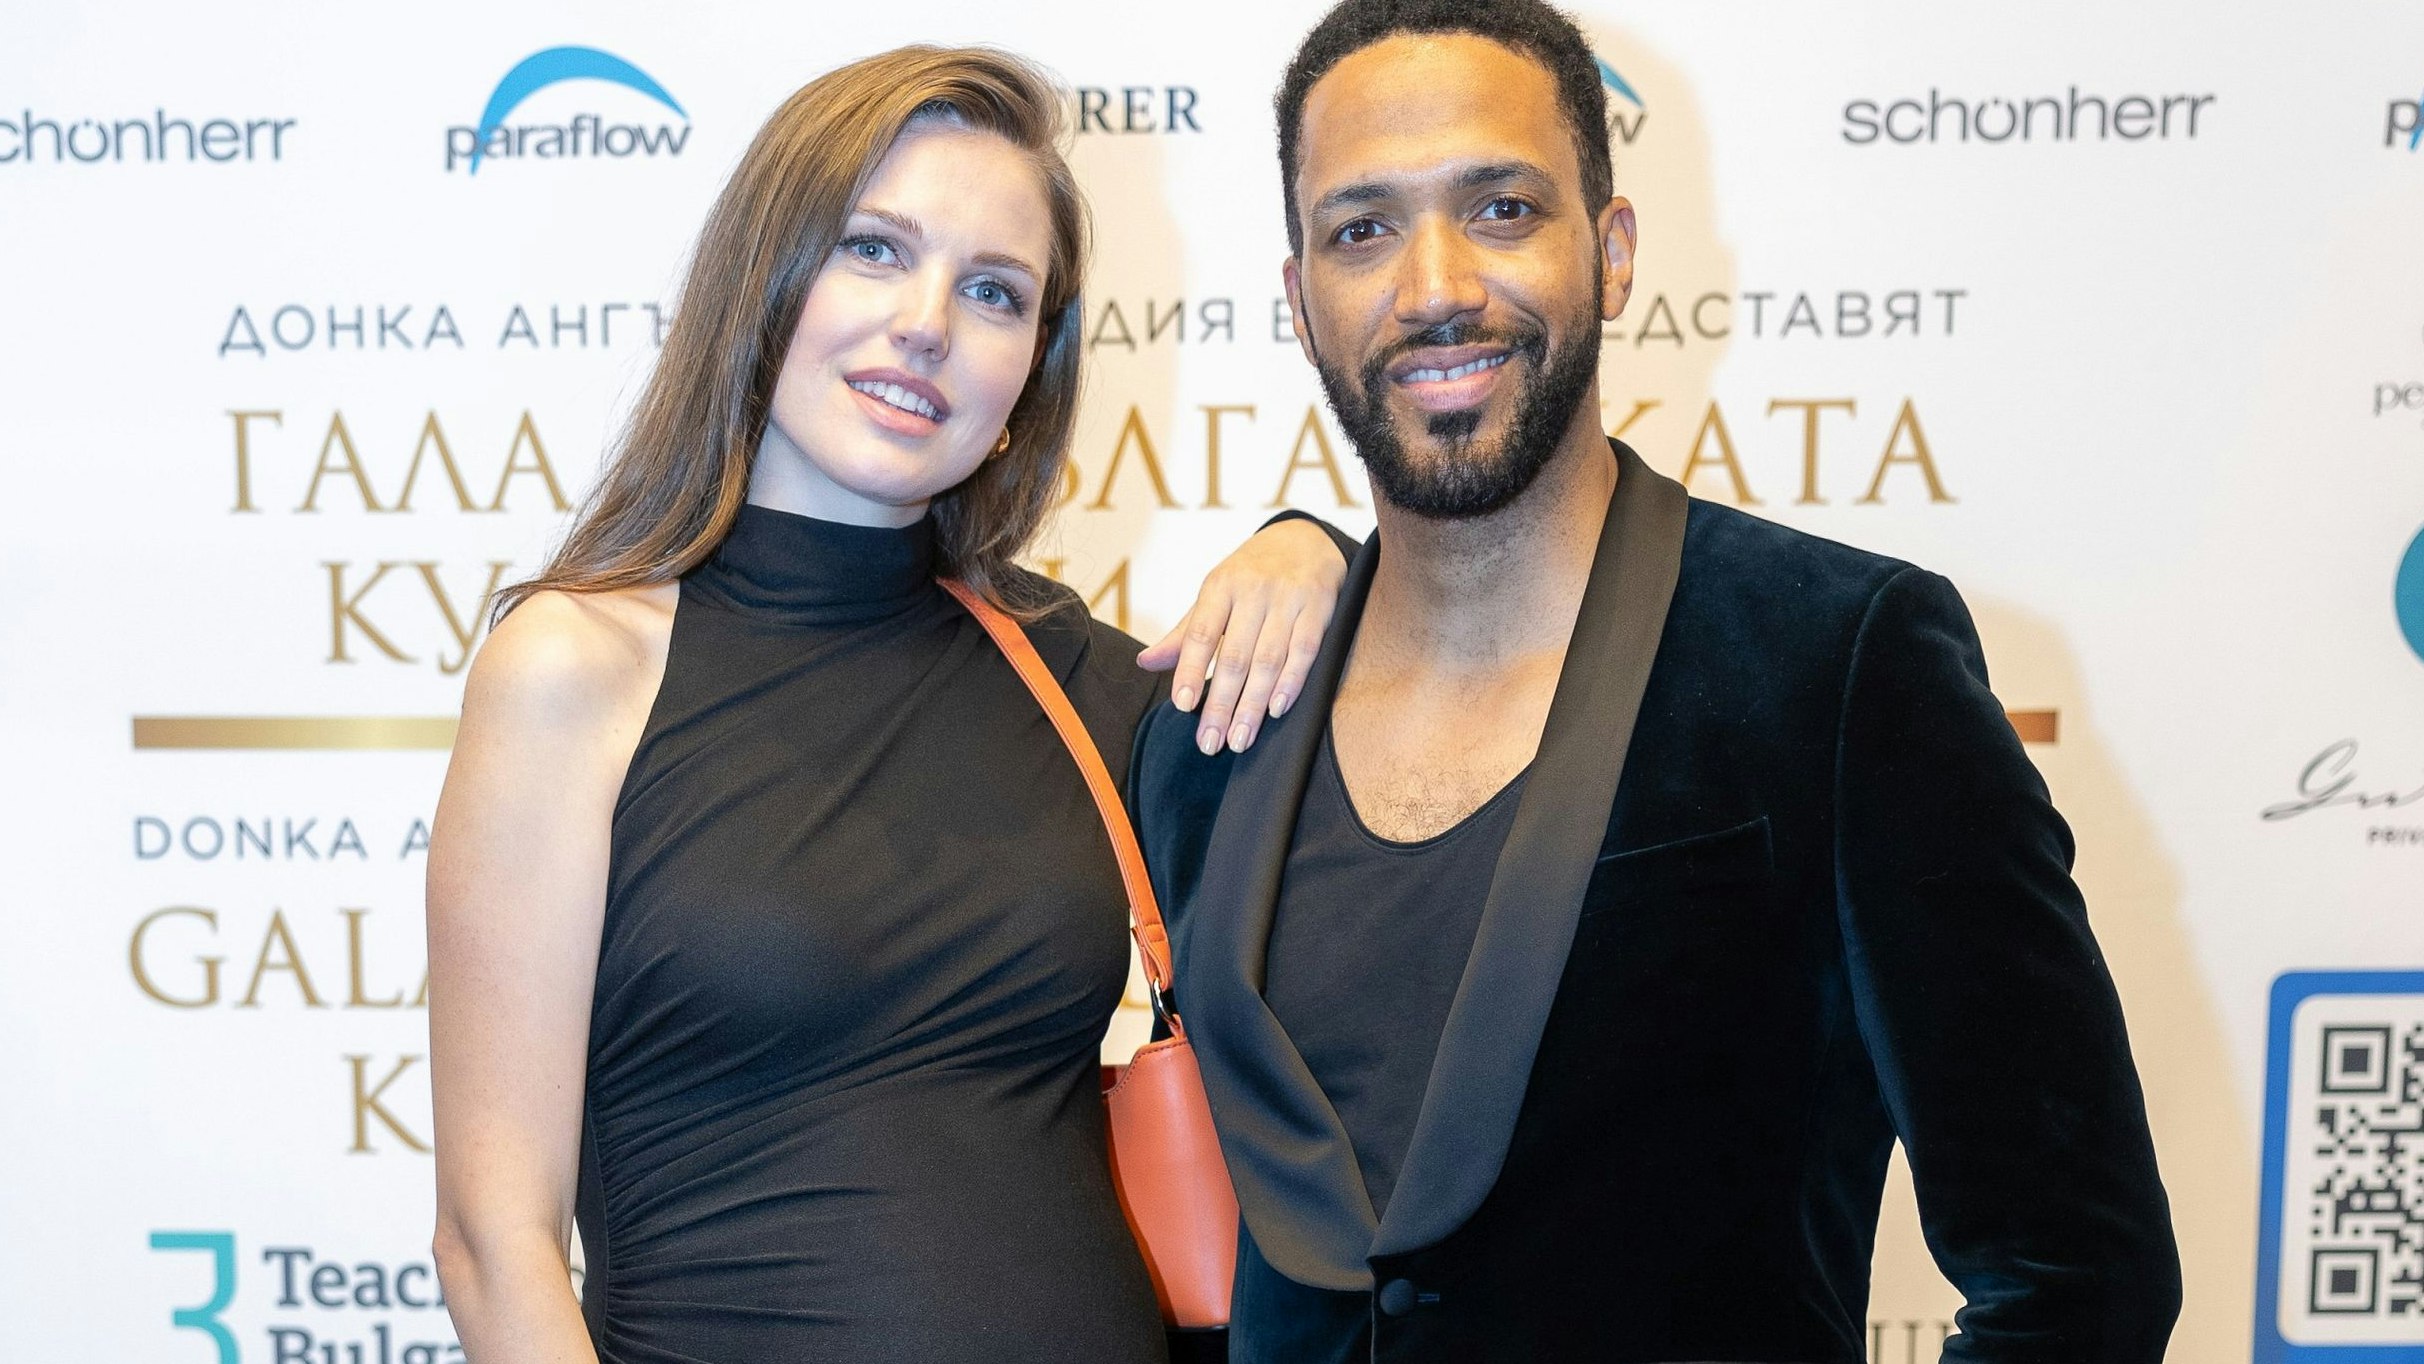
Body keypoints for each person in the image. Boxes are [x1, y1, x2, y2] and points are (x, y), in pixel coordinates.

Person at [1128, 2, 2183, 1361]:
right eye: (1363, 229)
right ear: (1298, 300)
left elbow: (2077, 1277)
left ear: (1612, 252)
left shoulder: (1839, 667)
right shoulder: (1214, 729)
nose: (1434, 284)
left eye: (1502, 209)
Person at [425, 46, 1348, 1364]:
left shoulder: (1077, 680)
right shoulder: (576, 670)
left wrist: (1318, 554)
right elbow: (492, 1240)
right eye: (874, 250)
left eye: (993, 291)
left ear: (1029, 376)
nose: (929, 323)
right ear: (766, 279)